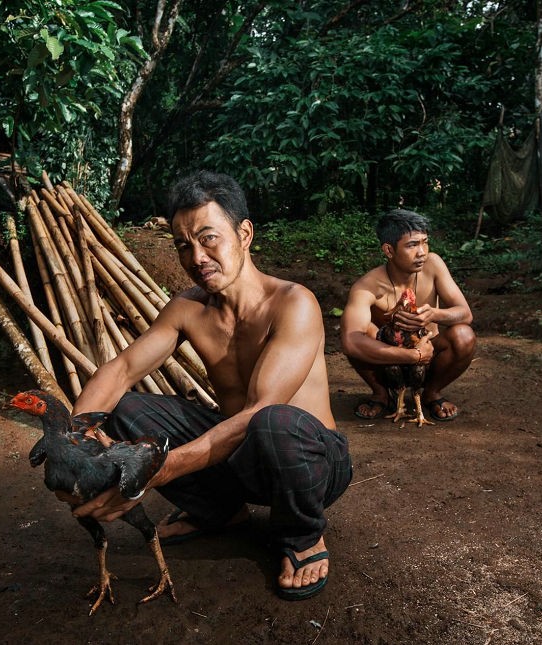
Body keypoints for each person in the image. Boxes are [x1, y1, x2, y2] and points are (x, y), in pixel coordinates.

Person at [67, 170, 352, 601]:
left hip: (311, 465)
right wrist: (73, 441)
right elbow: (122, 367)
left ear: (244, 234)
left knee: (273, 421)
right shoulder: (188, 308)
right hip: (241, 458)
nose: (197, 256)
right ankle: (220, 510)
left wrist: (159, 467)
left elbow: (260, 411)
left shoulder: (294, 303)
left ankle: (302, 536)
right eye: (184, 245)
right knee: (125, 409)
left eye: (208, 238)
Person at [340, 208, 475, 422]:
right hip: (388, 362)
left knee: (464, 335)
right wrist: (413, 355)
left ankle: (431, 393)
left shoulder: (433, 264)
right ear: (389, 250)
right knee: (359, 330)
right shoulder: (367, 286)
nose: (422, 252)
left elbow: (465, 314)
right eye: (412, 245)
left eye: (425, 242)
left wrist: (434, 314)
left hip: (429, 357)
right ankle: (381, 394)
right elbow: (350, 342)